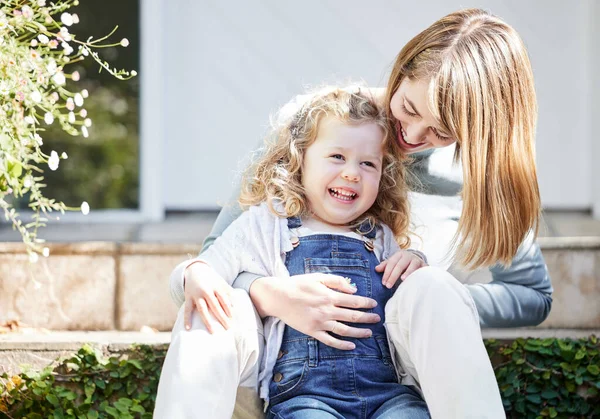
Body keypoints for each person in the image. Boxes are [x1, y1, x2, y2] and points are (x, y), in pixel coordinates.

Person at [155, 8, 552, 419]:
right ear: (402, 69)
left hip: (393, 369)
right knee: (212, 309)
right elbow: (212, 260)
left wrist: (418, 296)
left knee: (433, 287)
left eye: (442, 131)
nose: (412, 137)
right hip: (288, 369)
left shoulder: (479, 174)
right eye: (410, 109)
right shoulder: (322, 121)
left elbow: (534, 295)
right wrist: (271, 295)